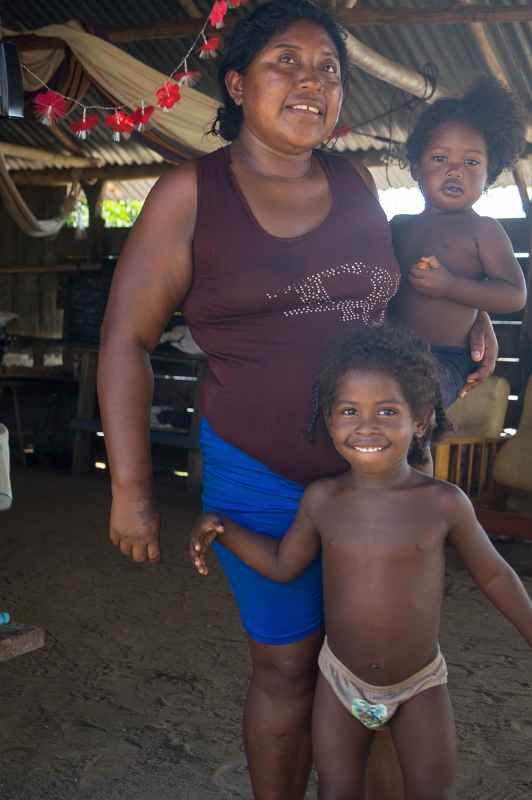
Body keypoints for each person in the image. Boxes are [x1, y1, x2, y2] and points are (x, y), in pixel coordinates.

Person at [97, 2, 498, 797]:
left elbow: (396, 288)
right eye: (287, 61)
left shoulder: (351, 180)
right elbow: (124, 340)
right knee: (285, 668)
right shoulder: (191, 192)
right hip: (259, 467)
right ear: (239, 84)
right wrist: (131, 491)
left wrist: (472, 312)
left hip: (374, 476)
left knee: (380, 667)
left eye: (329, 70)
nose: (311, 80)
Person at [190, 325, 532, 800]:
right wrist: (225, 530)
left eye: (387, 411)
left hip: (420, 686)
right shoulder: (322, 500)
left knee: (433, 792)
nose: (366, 426)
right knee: (338, 789)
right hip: (339, 682)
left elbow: (494, 574)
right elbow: (283, 565)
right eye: (349, 411)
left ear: (421, 420)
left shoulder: (443, 503)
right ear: (328, 421)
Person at [391, 77, 526, 408]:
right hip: (387, 351)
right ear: (415, 168)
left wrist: (450, 286)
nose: (455, 171)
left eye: (471, 162)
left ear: (489, 174)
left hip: (444, 360)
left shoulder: (484, 231)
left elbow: (514, 295)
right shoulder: (398, 226)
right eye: (440, 158)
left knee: (413, 406)